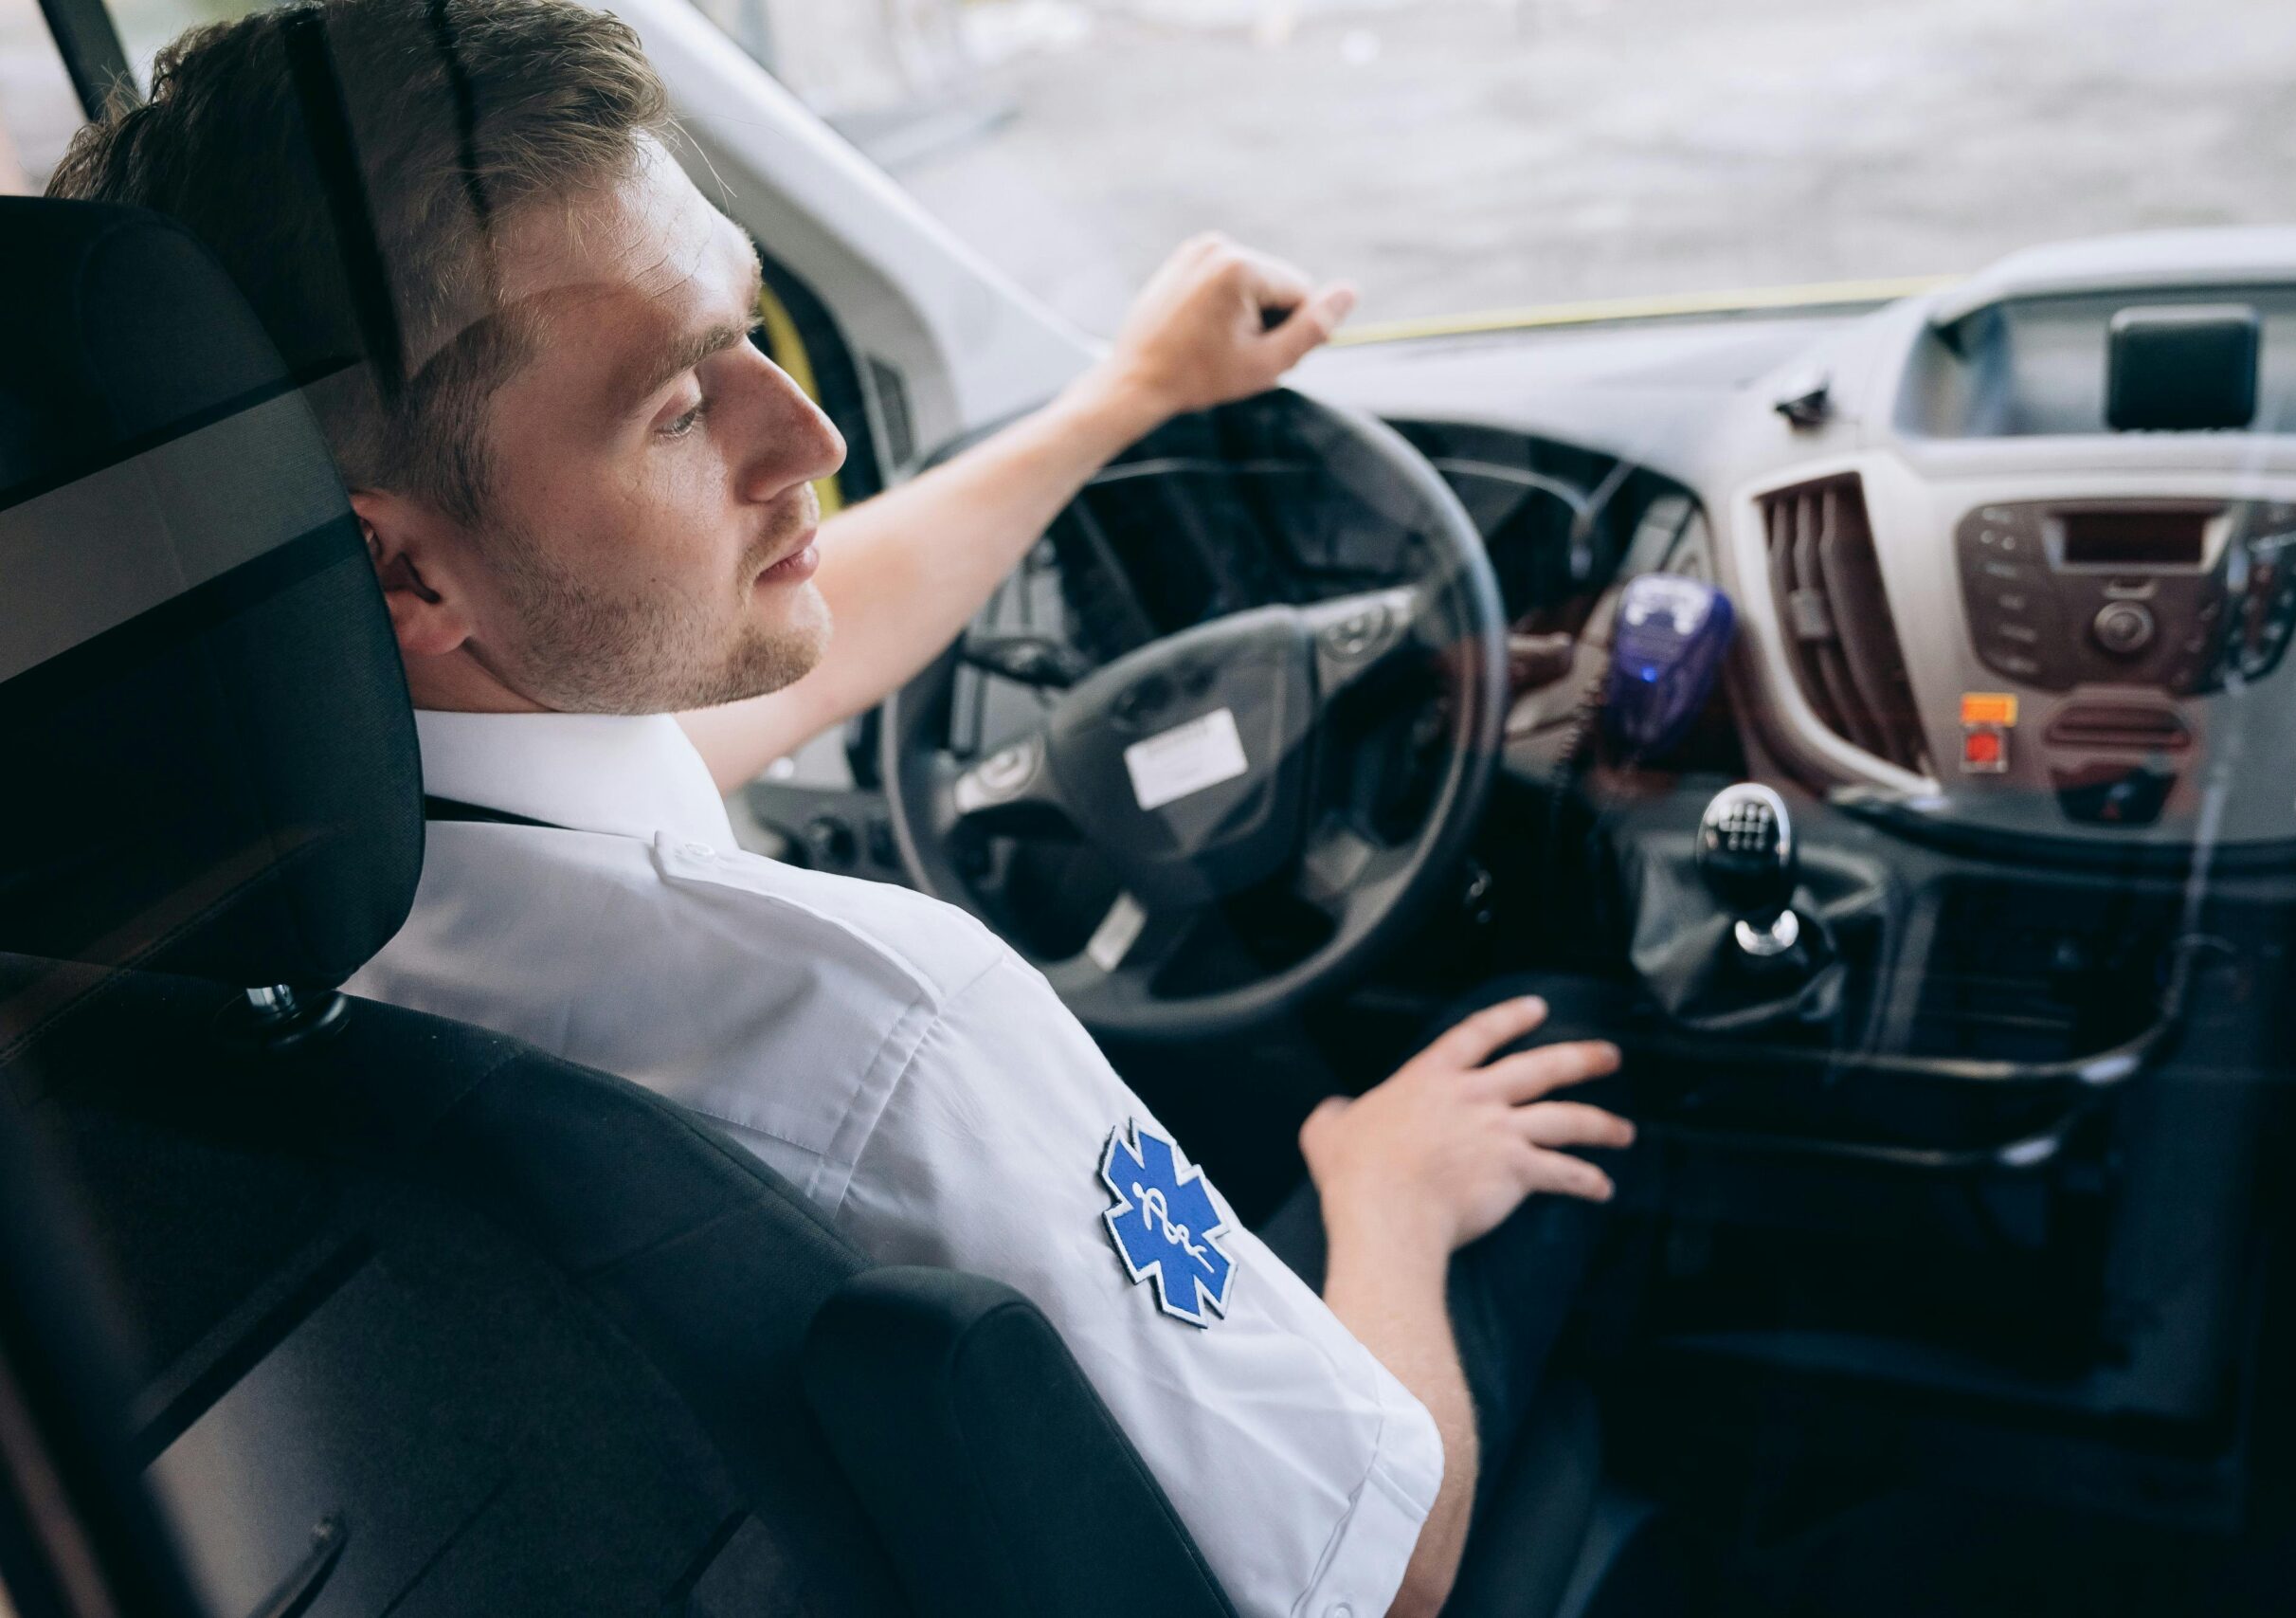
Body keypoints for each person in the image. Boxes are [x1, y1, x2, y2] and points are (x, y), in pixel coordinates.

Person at [48, 5, 1635, 1613]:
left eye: (750, 326)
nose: (811, 435)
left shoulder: (180, 930)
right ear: (405, 569)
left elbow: (777, 664)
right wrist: (1387, 1200)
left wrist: (1120, 400)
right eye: (676, 408)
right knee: (1557, 1035)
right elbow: (1392, 1567)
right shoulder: (880, 1031)